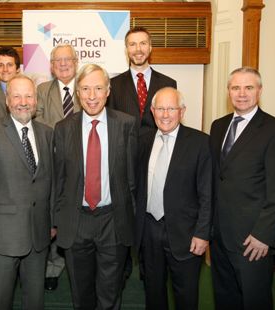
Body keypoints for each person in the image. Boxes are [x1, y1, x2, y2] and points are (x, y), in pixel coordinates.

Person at [209, 67, 275, 310]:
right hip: (219, 236)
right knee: (225, 298)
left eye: (249, 87)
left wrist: (263, 235)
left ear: (259, 91)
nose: (242, 93)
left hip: (252, 240)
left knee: (254, 300)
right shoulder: (218, 127)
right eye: (235, 88)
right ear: (228, 92)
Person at [54, 64, 137, 309]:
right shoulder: (63, 128)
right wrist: (57, 219)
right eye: (86, 89)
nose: (92, 96)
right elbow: (59, 179)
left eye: (98, 88)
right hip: (76, 220)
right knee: (81, 293)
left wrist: (129, 217)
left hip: (113, 219)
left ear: (108, 91)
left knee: (110, 293)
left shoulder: (126, 124)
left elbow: (132, 178)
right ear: (77, 92)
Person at [0, 74, 54, 309]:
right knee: (1, 300)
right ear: (7, 100)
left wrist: (52, 223)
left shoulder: (47, 133)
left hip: (39, 235)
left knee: (35, 301)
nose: (23, 101)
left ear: (36, 100)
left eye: (28, 95)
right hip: (2, 238)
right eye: (16, 95)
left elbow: (51, 182)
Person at [135, 87, 212, 310]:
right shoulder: (143, 140)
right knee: (153, 291)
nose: (165, 114)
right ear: (152, 111)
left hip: (186, 234)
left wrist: (202, 233)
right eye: (160, 108)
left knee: (186, 296)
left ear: (182, 111)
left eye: (171, 108)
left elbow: (207, 193)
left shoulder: (200, 143)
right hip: (149, 230)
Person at [35, 43, 81, 291]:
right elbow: (39, 124)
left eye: (68, 59)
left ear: (76, 62)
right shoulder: (42, 90)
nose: (63, 64)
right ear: (51, 67)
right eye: (58, 61)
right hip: (52, 163)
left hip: (84, 165)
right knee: (52, 214)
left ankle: (79, 263)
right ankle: (52, 268)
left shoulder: (87, 88)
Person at [107, 26, 177, 129]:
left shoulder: (168, 84)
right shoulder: (113, 85)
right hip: (124, 144)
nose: (138, 49)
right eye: (132, 44)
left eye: (143, 43)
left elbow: (173, 121)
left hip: (158, 144)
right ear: (126, 49)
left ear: (150, 47)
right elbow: (111, 123)